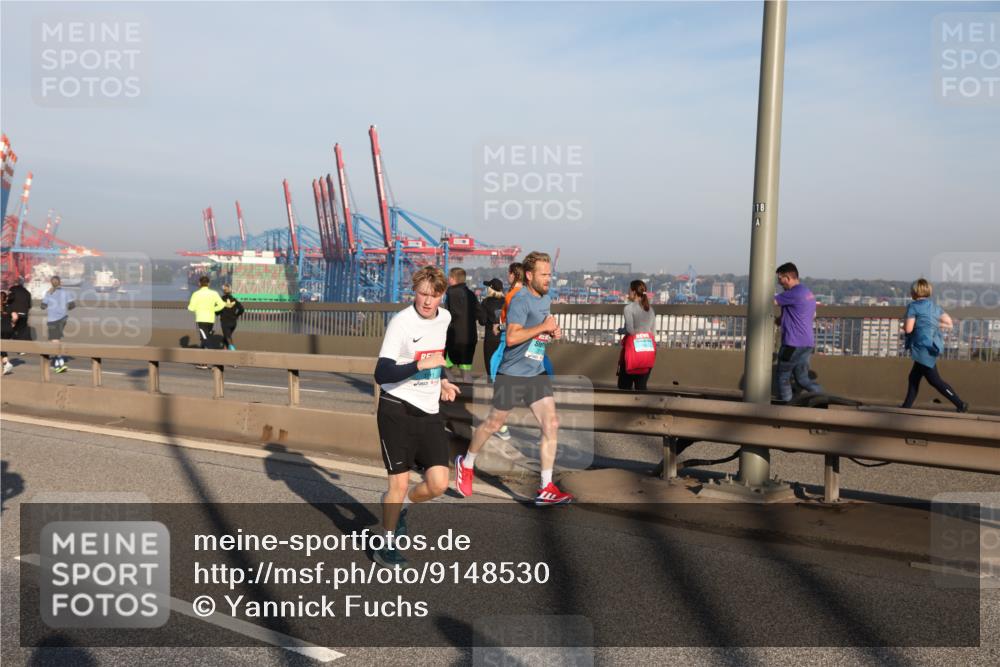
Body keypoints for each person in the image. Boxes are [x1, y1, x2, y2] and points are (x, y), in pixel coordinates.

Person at [456, 251, 574, 506]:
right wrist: (543, 327)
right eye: (544, 275)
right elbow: (511, 338)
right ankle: (466, 464)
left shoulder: (546, 298)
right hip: (512, 374)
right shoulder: (520, 300)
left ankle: (546, 487)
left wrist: (551, 332)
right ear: (529, 276)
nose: (548, 279)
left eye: (550, 274)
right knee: (494, 424)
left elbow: (539, 328)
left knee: (551, 423)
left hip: (535, 371)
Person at [373, 266, 460, 568]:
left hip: (430, 411)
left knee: (438, 483)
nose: (427, 301)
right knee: (397, 484)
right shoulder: (401, 323)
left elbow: (436, 356)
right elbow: (381, 372)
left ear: (441, 295)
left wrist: (443, 380)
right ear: (414, 291)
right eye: (422, 294)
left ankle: (401, 507)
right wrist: (419, 366)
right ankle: (385, 545)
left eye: (434, 295)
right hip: (396, 408)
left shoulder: (445, 318)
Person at [900, 279, 968, 412]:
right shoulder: (934, 307)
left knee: (935, 381)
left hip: (921, 346)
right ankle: (906, 407)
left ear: (914, 292)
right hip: (932, 345)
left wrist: (905, 325)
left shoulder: (913, 307)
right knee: (914, 377)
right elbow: (949, 323)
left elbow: (908, 329)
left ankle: (960, 404)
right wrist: (932, 324)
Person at [774, 262, 823, 403]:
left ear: (788, 277)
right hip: (807, 343)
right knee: (802, 379)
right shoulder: (808, 293)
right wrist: (781, 320)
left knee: (783, 376)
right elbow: (799, 313)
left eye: (780, 279)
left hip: (792, 344)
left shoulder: (792, 293)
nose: (779, 283)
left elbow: (768, 301)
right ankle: (822, 400)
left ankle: (787, 410)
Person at [617, 279, 656, 390]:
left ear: (634, 292)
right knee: (641, 387)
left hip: (633, 352)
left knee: (624, 386)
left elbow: (630, 330)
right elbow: (653, 333)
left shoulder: (628, 308)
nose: (628, 292)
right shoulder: (650, 309)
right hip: (647, 352)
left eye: (629, 290)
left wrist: (621, 330)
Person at [443, 267, 479, 384]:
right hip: (470, 338)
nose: (448, 280)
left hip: (454, 337)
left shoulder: (450, 293)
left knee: (444, 367)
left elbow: (447, 315)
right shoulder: (472, 295)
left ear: (453, 279)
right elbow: (481, 314)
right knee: (466, 372)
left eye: (449, 277)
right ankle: (469, 395)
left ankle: (453, 391)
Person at [187, 275, 225, 369]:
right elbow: (222, 304)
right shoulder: (214, 293)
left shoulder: (196, 294)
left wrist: (197, 308)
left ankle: (215, 360)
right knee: (204, 339)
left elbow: (191, 308)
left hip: (201, 319)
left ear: (199, 283)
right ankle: (202, 362)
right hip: (211, 320)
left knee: (205, 339)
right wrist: (213, 309)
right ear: (209, 283)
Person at [41, 275, 75, 373]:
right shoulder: (66, 292)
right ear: (60, 282)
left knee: (55, 341)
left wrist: (49, 304)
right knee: (56, 339)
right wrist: (62, 309)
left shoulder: (49, 293)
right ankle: (59, 361)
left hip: (53, 320)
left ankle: (59, 363)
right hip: (63, 319)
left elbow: (43, 306)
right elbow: (72, 305)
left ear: (51, 283)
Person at [478, 278, 505, 379]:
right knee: (502, 362)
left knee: (490, 364)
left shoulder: (486, 302)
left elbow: (482, 321)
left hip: (490, 337)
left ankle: (491, 384)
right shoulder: (506, 301)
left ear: (490, 289)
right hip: (503, 336)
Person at [218, 284, 245, 351]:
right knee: (226, 336)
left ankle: (233, 351)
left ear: (223, 291)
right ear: (230, 291)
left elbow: (217, 309)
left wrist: (217, 313)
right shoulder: (234, 300)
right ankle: (225, 351)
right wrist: (237, 315)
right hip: (233, 322)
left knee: (228, 337)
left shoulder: (221, 299)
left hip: (225, 322)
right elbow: (242, 309)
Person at [7, 277, 31, 347]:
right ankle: (21, 348)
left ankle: (9, 343)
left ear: (16, 282)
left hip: (14, 313)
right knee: (21, 330)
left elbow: (10, 299)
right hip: (24, 314)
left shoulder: (13, 289)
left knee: (11, 327)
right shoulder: (27, 292)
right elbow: (29, 305)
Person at [1, 291, 13, 375]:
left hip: (1, 329)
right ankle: (6, 364)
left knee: (1, 346)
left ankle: (6, 363)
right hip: (8, 329)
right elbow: (15, 316)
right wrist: (12, 324)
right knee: (2, 346)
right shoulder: (9, 307)